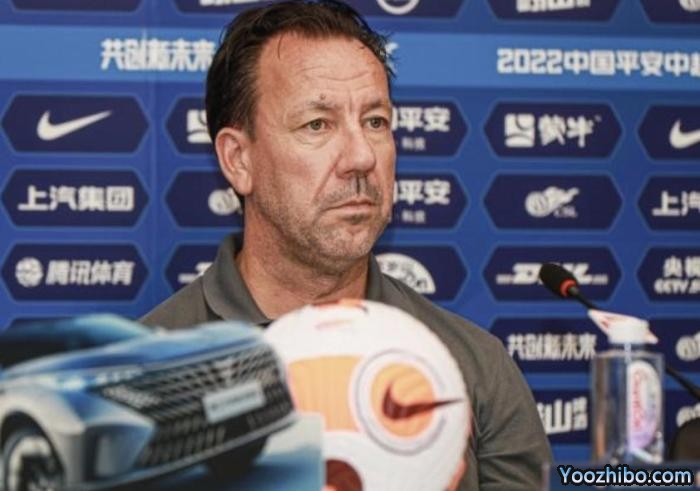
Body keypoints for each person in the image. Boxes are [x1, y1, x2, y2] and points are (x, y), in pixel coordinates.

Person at [141, 1, 552, 488]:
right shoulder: (142, 378)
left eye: (375, 122)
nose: (360, 157)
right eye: (317, 124)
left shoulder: (472, 367)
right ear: (238, 160)